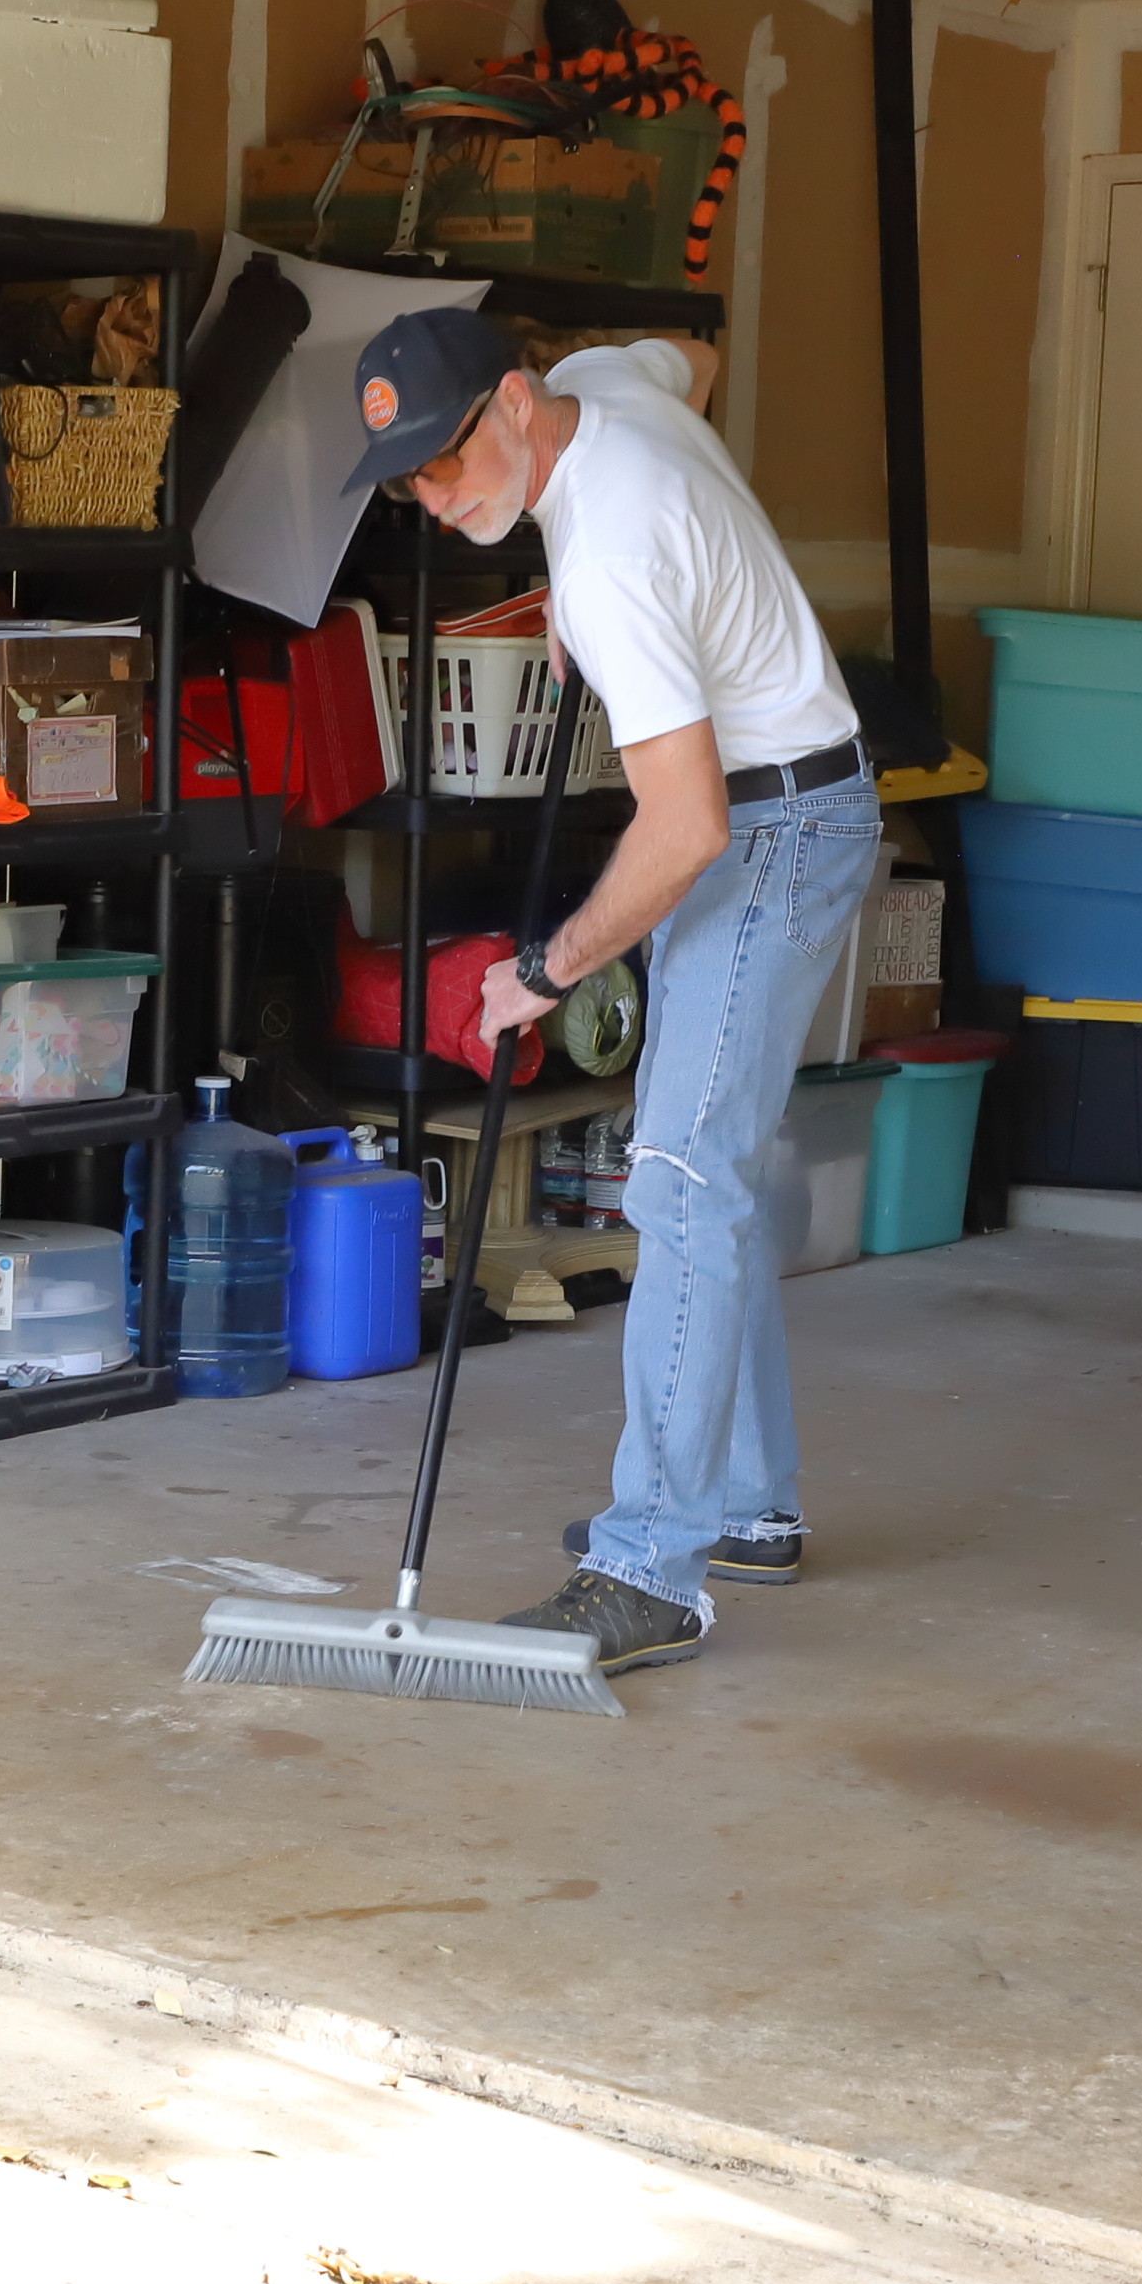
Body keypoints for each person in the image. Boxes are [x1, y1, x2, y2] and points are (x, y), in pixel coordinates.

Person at [344, 307, 879, 1679]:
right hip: (778, 797)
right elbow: (690, 352)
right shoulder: (598, 388)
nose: (438, 495)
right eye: (410, 478)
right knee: (708, 1169)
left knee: (680, 1177)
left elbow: (685, 827)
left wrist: (547, 970)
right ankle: (744, 1501)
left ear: (515, 405)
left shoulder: (614, 554)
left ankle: (649, 1568)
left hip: (771, 830)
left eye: (451, 457)